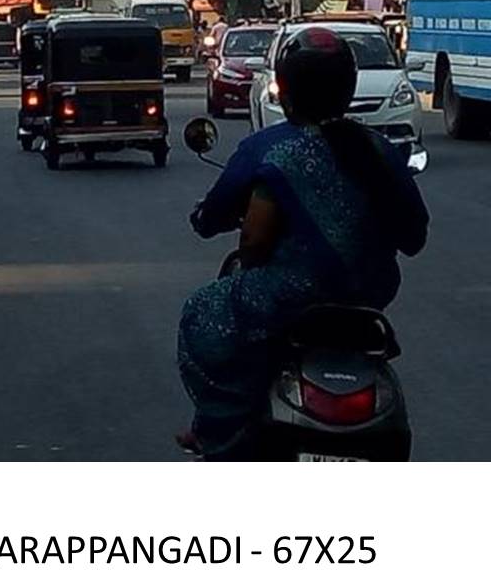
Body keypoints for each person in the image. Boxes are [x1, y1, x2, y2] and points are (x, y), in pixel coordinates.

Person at [177, 27, 429, 456]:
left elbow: (240, 237)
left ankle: (215, 428)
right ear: (348, 88)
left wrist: (207, 218)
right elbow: (415, 237)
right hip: (369, 296)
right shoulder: (380, 150)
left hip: (287, 297)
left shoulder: (271, 148)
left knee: (202, 314)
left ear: (286, 88)